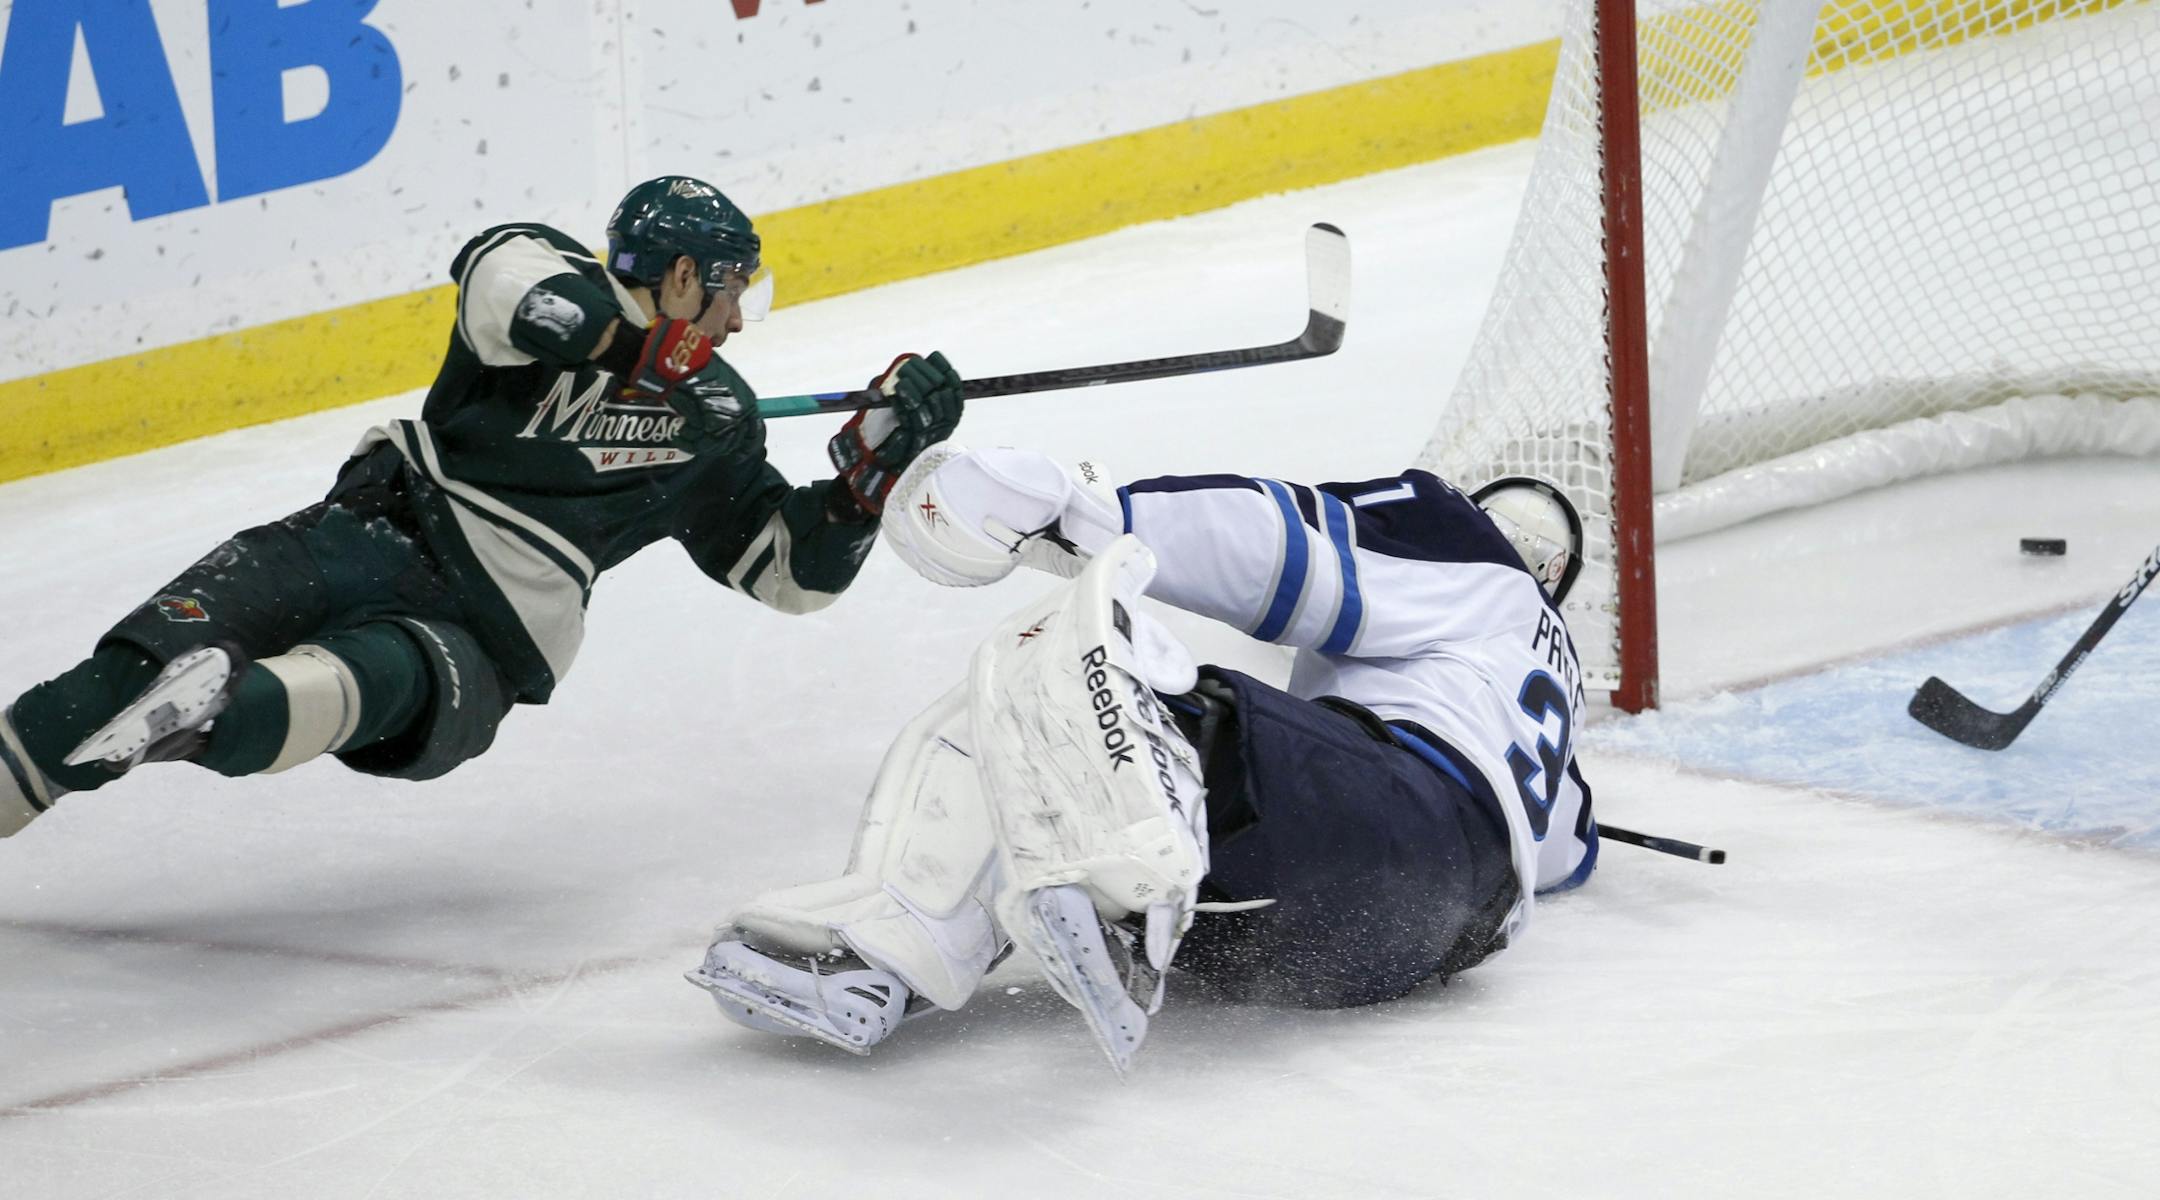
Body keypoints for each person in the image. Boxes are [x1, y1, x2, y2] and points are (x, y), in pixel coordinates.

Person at [0, 175, 964, 835]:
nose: (737, 318)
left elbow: (786, 571)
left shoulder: (713, 413)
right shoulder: (544, 273)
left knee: (363, 682)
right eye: (725, 292)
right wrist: (637, 357)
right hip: (365, 530)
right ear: (677, 278)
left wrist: (863, 484)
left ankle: (214, 711)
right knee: (120, 672)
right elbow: (496, 278)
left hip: (485, 630)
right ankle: (181, 705)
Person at [685, 442, 1596, 1071]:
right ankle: (1115, 891)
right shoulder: (1557, 709)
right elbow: (1566, 855)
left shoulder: (1466, 552)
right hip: (1401, 950)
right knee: (1092, 738)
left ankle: (892, 948)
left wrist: (1082, 511)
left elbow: (1283, 549)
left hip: (1395, 822)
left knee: (1048, 680)